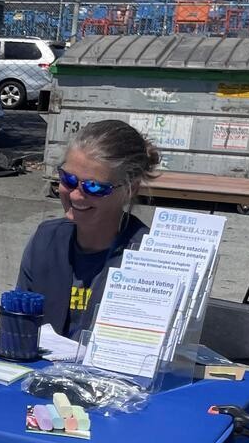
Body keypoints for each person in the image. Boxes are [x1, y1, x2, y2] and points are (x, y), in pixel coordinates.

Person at [16, 119, 160, 338]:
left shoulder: (149, 257)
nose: (75, 194)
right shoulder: (46, 240)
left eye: (94, 187)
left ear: (131, 189)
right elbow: (19, 324)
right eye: (68, 179)